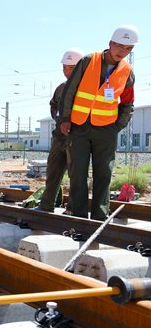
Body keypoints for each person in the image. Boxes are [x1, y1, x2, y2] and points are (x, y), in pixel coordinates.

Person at [59, 25, 138, 220]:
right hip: (79, 126)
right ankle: (78, 216)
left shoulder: (127, 72)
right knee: (78, 172)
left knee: (104, 174)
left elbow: (127, 103)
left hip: (106, 130)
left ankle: (99, 216)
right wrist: (65, 118)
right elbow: (70, 91)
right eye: (119, 46)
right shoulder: (88, 61)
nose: (122, 51)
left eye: (128, 49)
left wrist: (117, 126)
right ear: (110, 43)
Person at [34, 48, 84, 213]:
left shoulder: (86, 88)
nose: (66, 71)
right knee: (53, 171)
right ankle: (46, 205)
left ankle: (73, 209)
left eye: (71, 68)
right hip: (59, 137)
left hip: (77, 137)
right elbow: (53, 105)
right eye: (64, 67)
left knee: (75, 175)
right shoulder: (61, 88)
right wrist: (58, 117)